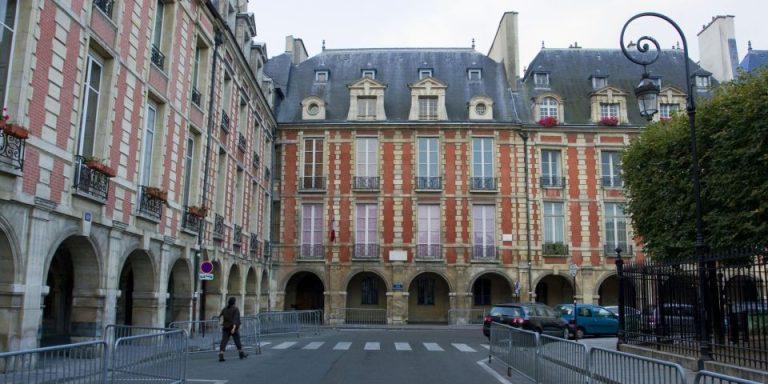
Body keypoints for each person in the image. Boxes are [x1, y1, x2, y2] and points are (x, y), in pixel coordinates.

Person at [218, 297, 247, 362]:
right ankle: (241, 353)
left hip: (225, 327)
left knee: (224, 341)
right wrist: (234, 328)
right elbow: (235, 319)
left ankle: (221, 354)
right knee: (237, 340)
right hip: (232, 327)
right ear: (234, 302)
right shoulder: (235, 309)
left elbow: (220, 316)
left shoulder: (225, 309)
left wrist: (221, 324)